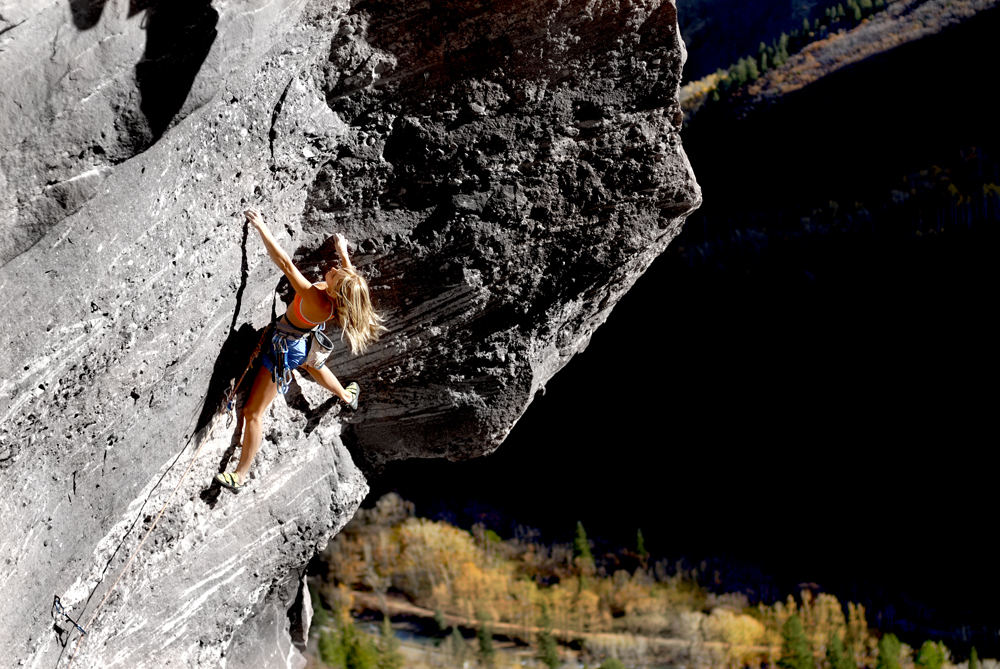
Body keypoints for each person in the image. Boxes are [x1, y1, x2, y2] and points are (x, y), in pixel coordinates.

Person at [215, 207, 386, 493]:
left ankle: (240, 475)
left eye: (335, 274)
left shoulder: (318, 299)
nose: (332, 269)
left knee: (253, 412)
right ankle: (346, 395)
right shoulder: (342, 294)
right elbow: (351, 280)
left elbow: (285, 264)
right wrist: (343, 252)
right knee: (312, 364)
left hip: (284, 349)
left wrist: (260, 226)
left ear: (334, 291)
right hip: (302, 338)